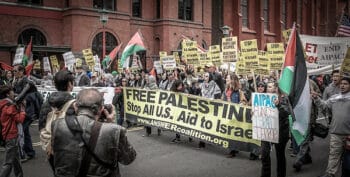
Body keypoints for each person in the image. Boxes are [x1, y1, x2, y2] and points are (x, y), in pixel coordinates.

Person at [51, 88, 136, 177]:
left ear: (75, 106)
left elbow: (56, 153)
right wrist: (111, 123)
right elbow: (128, 159)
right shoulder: (114, 130)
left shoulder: (57, 125)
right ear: (101, 109)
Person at [314, 77, 350, 177]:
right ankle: (330, 174)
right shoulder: (334, 98)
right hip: (336, 133)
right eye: (341, 84)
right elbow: (324, 106)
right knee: (334, 156)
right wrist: (316, 98)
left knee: (348, 160)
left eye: (346, 84)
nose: (342, 85)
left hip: (349, 135)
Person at [39, 70, 75, 169]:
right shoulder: (75, 105)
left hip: (51, 149)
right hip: (69, 151)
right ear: (69, 84)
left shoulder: (46, 103)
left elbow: (41, 127)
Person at [13, 64, 42, 161]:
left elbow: (20, 96)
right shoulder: (17, 81)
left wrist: (14, 98)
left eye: (15, 71)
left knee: (22, 131)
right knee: (24, 131)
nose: (14, 73)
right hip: (23, 110)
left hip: (29, 111)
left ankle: (27, 153)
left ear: (21, 72)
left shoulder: (28, 82)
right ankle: (29, 152)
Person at [260, 82, 290, 177]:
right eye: (267, 87)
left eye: (270, 86)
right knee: (264, 154)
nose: (268, 88)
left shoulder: (283, 98)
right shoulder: (262, 98)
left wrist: (278, 105)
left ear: (276, 87)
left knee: (280, 155)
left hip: (280, 131)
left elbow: (286, 113)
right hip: (267, 130)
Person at [0, 85, 26, 177]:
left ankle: (19, 175)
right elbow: (19, 119)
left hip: (8, 133)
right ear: (7, 94)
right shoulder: (9, 106)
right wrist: (22, 110)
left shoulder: (3, 104)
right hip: (11, 135)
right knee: (8, 162)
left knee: (16, 159)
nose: (13, 93)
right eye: (11, 91)